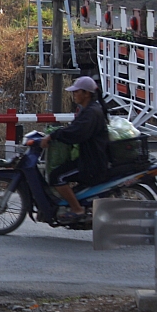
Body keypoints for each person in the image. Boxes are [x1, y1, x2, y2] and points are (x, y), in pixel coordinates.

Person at [39, 76, 109, 222]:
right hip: (88, 157)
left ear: (86, 93)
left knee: (57, 176)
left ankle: (77, 209)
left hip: (92, 162)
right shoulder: (89, 109)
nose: (74, 95)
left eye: (77, 92)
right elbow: (75, 129)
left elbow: (76, 133)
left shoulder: (91, 112)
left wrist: (53, 136)